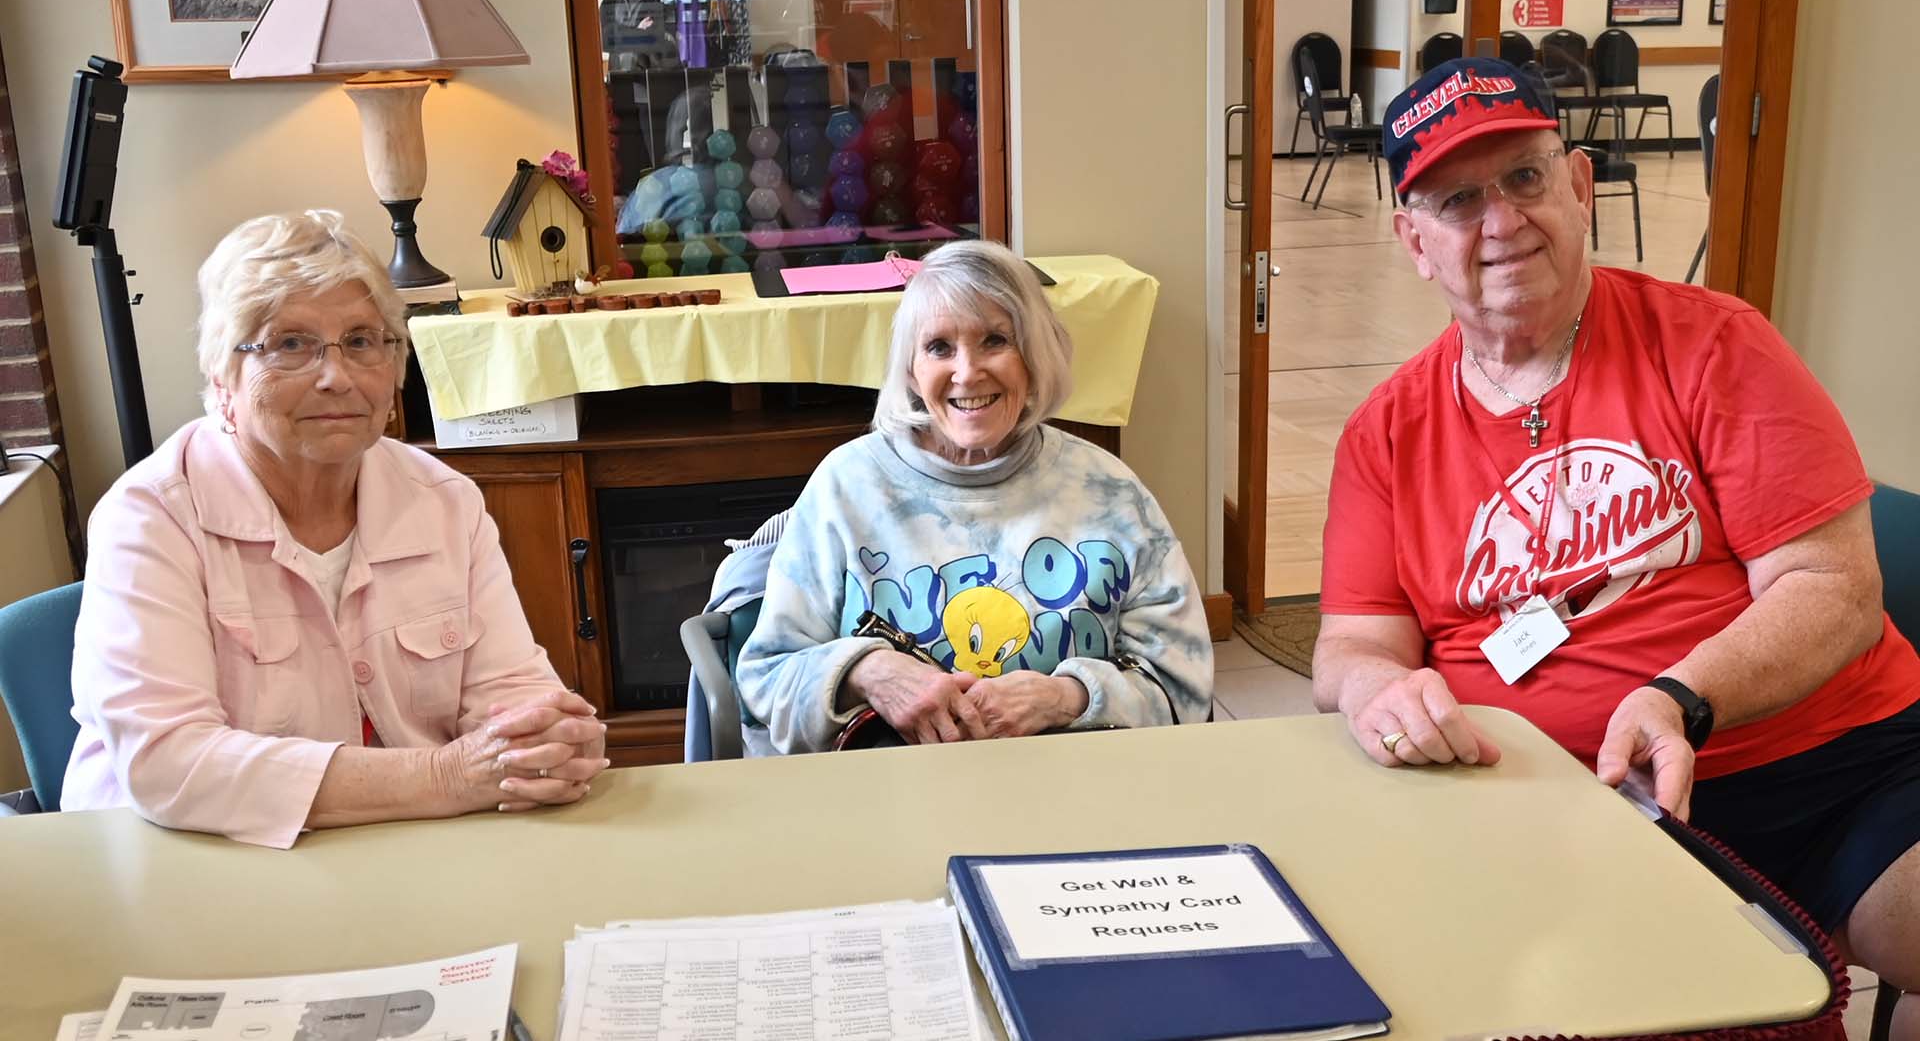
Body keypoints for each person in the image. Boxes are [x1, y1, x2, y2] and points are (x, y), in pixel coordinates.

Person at [1314, 58, 1920, 1027]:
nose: (1502, 222)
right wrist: (1380, 692)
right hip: (1548, 806)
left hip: (1825, 767)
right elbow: (1350, 646)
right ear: (1414, 241)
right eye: (1459, 200)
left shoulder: (1716, 345)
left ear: (1581, 185)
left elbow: (1834, 588)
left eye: (1525, 178)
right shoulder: (1386, 432)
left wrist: (1679, 697)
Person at [61, 211, 609, 848]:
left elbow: (510, 692)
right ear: (222, 377)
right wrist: (446, 776)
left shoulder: (444, 502)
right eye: (289, 344)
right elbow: (170, 765)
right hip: (185, 864)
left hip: (402, 853)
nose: (337, 376)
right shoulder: (150, 519)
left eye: (361, 341)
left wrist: (545, 738)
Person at [735, 240, 1213, 755]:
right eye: (939, 347)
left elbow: (1183, 689)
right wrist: (865, 670)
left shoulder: (1111, 492)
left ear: (1035, 355)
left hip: (1077, 791)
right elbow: (766, 681)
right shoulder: (847, 486)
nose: (967, 372)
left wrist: (1067, 697)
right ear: (912, 370)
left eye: (995, 340)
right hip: (887, 796)